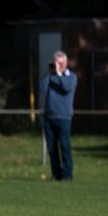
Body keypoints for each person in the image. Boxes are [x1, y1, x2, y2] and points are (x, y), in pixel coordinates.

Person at [39, 50, 77, 181]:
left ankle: (67, 174)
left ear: (65, 63)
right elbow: (42, 88)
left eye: (60, 63)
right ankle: (56, 174)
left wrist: (59, 74)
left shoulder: (71, 77)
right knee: (52, 148)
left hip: (64, 117)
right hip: (49, 117)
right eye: (56, 63)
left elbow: (66, 88)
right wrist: (50, 73)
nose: (58, 66)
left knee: (65, 146)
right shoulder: (51, 77)